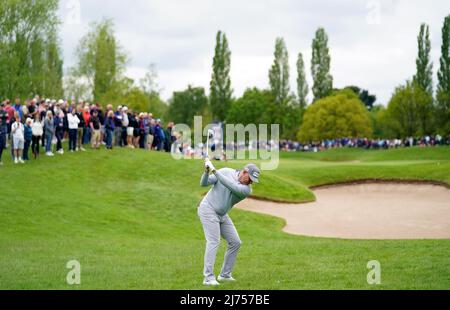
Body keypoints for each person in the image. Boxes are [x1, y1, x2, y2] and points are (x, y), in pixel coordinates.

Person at [198, 160, 261, 286]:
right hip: (208, 209)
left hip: (222, 214)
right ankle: (208, 278)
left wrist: (214, 170)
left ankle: (225, 275)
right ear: (244, 172)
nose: (251, 182)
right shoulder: (226, 171)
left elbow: (230, 185)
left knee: (235, 242)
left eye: (253, 181)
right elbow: (203, 183)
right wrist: (206, 171)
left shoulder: (246, 190)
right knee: (213, 241)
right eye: (250, 178)